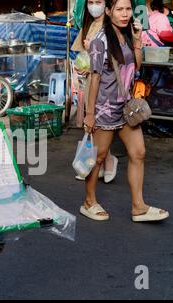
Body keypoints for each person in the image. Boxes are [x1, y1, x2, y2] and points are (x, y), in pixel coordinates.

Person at [81, 0, 169, 222]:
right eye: (119, 9)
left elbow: (136, 66)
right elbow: (94, 77)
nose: (125, 14)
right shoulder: (101, 40)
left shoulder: (128, 34)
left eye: (128, 9)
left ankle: (138, 207)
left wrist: (138, 41)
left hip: (126, 107)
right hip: (105, 107)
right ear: (109, 11)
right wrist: (90, 114)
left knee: (138, 153)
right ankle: (89, 201)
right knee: (98, 157)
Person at [72, 0, 118, 183]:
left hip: (105, 83)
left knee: (98, 124)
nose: (94, 6)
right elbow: (83, 53)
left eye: (98, 1)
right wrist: (83, 66)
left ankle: (105, 161)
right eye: (90, 2)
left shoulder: (111, 27)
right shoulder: (89, 24)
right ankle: (97, 162)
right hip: (90, 81)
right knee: (93, 125)